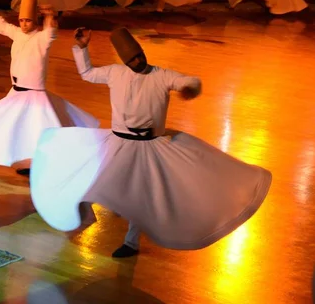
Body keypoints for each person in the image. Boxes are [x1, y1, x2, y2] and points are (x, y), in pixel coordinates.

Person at [29, 27, 272, 257]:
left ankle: (131, 242)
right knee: (98, 179)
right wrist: (82, 48)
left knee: (143, 193)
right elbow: (88, 73)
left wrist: (191, 87)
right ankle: (83, 215)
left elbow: (189, 80)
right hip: (119, 143)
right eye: (132, 60)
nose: (138, 62)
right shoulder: (115, 72)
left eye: (139, 56)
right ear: (125, 61)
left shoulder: (161, 75)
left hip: (148, 146)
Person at [0, 0, 99, 175]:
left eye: (28, 21)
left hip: (35, 95)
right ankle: (26, 161)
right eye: (21, 20)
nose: (23, 24)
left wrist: (50, 17)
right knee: (17, 128)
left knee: (36, 129)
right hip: (16, 93)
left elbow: (51, 32)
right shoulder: (17, 34)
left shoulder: (41, 38)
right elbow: (2, 26)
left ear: (35, 22)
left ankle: (41, 162)